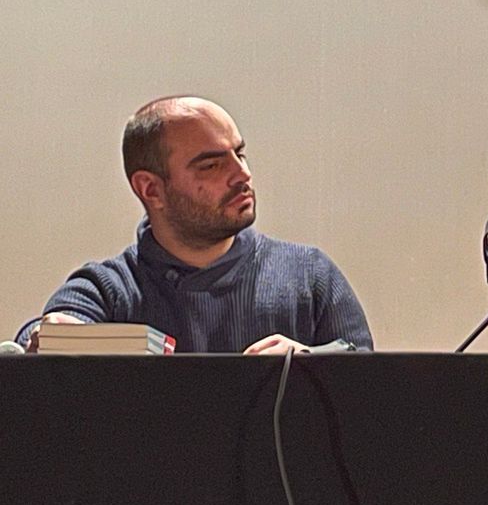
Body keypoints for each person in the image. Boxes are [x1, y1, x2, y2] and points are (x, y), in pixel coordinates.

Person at [14, 96, 372, 354]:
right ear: (151, 189)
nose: (242, 174)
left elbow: (368, 390)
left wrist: (312, 364)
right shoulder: (108, 289)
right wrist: (50, 336)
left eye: (239, 153)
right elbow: (38, 343)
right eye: (212, 165)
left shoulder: (308, 275)